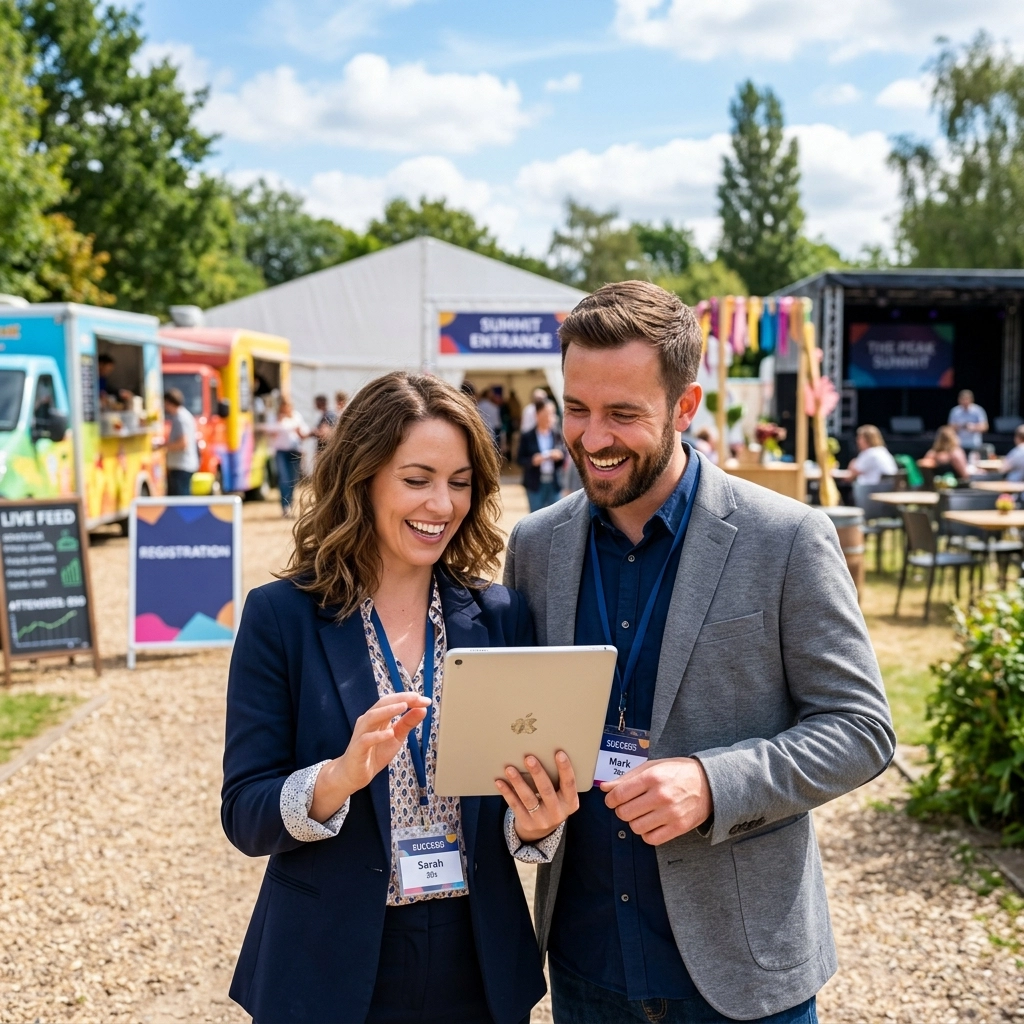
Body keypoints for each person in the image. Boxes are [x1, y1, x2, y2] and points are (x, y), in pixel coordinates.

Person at [501, 281, 894, 1024]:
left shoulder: (788, 538)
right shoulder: (533, 546)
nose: (592, 438)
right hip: (585, 962)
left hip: (743, 972)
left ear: (685, 407)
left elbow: (861, 730)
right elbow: (513, 730)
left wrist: (713, 784)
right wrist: (527, 817)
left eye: (623, 414)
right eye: (577, 409)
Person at [222, 372, 565, 1024]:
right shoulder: (280, 618)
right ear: (363, 478)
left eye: (459, 482)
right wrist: (337, 778)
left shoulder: (501, 616)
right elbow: (244, 813)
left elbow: (510, 801)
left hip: (478, 959)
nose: (441, 503)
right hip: (326, 962)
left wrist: (534, 824)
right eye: (417, 479)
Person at [518, 401, 566, 512]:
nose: (549, 418)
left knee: (557, 515)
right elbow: (520, 459)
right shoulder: (527, 436)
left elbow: (564, 455)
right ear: (537, 415)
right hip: (535, 484)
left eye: (552, 414)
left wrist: (559, 456)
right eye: (546, 414)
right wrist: (532, 461)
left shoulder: (557, 434)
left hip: (554, 482)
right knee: (536, 516)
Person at [269, 398, 309, 514]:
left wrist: (299, 432)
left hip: (294, 451)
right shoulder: (275, 418)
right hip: (281, 452)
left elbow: (304, 433)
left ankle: (290, 502)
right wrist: (278, 423)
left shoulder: (296, 416)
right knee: (283, 478)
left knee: (292, 479)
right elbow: (271, 432)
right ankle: (285, 505)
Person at [163, 388, 199, 496]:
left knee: (181, 500)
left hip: (181, 466)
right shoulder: (184, 415)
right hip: (184, 465)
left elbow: (183, 443)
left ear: (169, 403)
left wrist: (164, 447)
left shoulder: (180, 418)